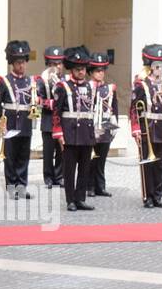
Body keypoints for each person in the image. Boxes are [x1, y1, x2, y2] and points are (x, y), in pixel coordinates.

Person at [130, 43, 162, 209]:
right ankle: (147, 197)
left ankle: (158, 196)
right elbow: (134, 108)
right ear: (149, 66)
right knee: (147, 165)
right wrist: (135, 128)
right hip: (147, 129)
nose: (159, 68)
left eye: (161, 65)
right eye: (156, 65)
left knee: (161, 165)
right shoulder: (142, 84)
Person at [53, 46, 95, 212]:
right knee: (69, 169)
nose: (81, 72)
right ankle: (70, 199)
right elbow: (56, 111)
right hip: (69, 133)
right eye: (78, 69)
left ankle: (81, 198)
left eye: (83, 69)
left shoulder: (89, 87)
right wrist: (58, 132)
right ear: (72, 69)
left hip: (86, 132)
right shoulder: (63, 86)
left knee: (85, 168)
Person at [0, 40, 35, 200]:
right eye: (18, 62)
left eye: (24, 62)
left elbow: (34, 103)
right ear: (12, 63)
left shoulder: (30, 81)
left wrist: (35, 116)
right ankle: (11, 186)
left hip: (26, 123)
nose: (21, 66)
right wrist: (1, 123)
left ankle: (22, 186)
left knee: (23, 156)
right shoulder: (4, 81)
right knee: (10, 157)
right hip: (10, 122)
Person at [35, 46, 65, 188]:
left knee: (61, 151)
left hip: (63, 121)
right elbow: (39, 100)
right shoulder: (42, 80)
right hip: (48, 120)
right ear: (48, 64)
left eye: (58, 63)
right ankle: (48, 178)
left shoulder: (65, 80)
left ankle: (59, 176)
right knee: (48, 152)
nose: (56, 67)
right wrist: (52, 103)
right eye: (53, 64)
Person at [88, 52, 116, 198]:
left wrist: (114, 126)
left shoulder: (109, 89)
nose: (100, 73)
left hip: (105, 125)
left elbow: (114, 108)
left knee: (101, 159)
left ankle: (100, 186)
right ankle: (90, 186)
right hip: (91, 126)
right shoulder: (87, 87)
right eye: (97, 71)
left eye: (102, 70)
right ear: (91, 72)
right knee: (91, 159)